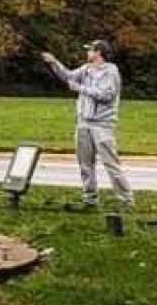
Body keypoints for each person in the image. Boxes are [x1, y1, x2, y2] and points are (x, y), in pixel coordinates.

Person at [42, 40, 134, 213]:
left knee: (111, 163)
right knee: (85, 164)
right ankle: (89, 199)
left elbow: (106, 95)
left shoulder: (111, 71)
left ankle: (126, 199)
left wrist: (80, 88)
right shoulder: (86, 69)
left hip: (103, 125)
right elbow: (68, 76)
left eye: (90, 50)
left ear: (99, 52)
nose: (87, 53)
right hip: (83, 122)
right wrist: (53, 62)